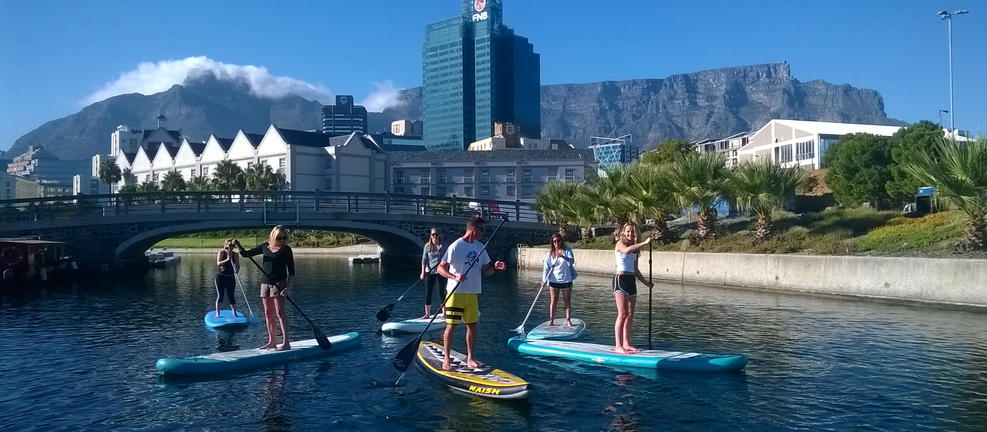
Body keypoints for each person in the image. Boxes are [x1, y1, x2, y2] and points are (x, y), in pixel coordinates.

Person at [436, 216, 506, 371]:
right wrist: (454, 277)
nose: (483, 233)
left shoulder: (481, 246)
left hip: (472, 293)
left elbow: (486, 271)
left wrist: (495, 267)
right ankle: (446, 359)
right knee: (451, 326)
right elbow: (440, 268)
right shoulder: (456, 246)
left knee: (472, 326)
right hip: (455, 293)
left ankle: (470, 358)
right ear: (474, 229)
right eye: (482, 230)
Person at [236, 225, 295, 351]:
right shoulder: (265, 246)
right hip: (265, 283)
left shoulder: (286, 250)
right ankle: (272, 341)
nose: (283, 240)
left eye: (284, 237)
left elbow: (292, 272)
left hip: (280, 284)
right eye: (280, 237)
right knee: (268, 313)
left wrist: (288, 288)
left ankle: (286, 343)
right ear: (274, 236)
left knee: (280, 313)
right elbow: (246, 255)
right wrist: (239, 245)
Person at [613, 222, 653, 355]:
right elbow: (625, 251)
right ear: (624, 232)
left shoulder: (635, 248)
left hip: (631, 280)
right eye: (628, 231)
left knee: (630, 314)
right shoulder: (620, 243)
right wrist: (645, 243)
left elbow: (635, 269)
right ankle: (618, 346)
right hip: (620, 280)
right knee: (622, 313)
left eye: (632, 232)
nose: (630, 234)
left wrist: (646, 283)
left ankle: (626, 343)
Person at [540, 233, 577, 326]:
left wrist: (563, 256)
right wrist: (544, 280)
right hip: (554, 280)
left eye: (558, 241)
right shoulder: (550, 254)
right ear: (552, 242)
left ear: (561, 241)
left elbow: (572, 261)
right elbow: (546, 267)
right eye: (554, 241)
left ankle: (568, 320)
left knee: (567, 301)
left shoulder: (567, 250)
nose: (556, 243)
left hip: (566, 279)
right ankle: (551, 320)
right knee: (553, 301)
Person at [420, 228, 446, 319]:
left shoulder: (443, 246)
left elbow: (447, 258)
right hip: (429, 271)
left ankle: (444, 313)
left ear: (439, 235)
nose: (434, 236)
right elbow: (424, 260)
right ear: (430, 236)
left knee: (441, 292)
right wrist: (422, 273)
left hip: (440, 271)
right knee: (428, 292)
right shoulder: (427, 246)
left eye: (436, 234)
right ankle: (427, 314)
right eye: (433, 235)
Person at [214, 238, 240, 318]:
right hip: (221, 277)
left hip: (230, 277)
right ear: (226, 245)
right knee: (220, 295)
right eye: (230, 245)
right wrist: (228, 259)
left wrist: (237, 271)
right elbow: (218, 263)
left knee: (231, 295)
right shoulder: (221, 252)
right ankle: (217, 313)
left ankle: (234, 313)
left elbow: (238, 265)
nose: (231, 247)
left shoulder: (235, 255)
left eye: (233, 245)